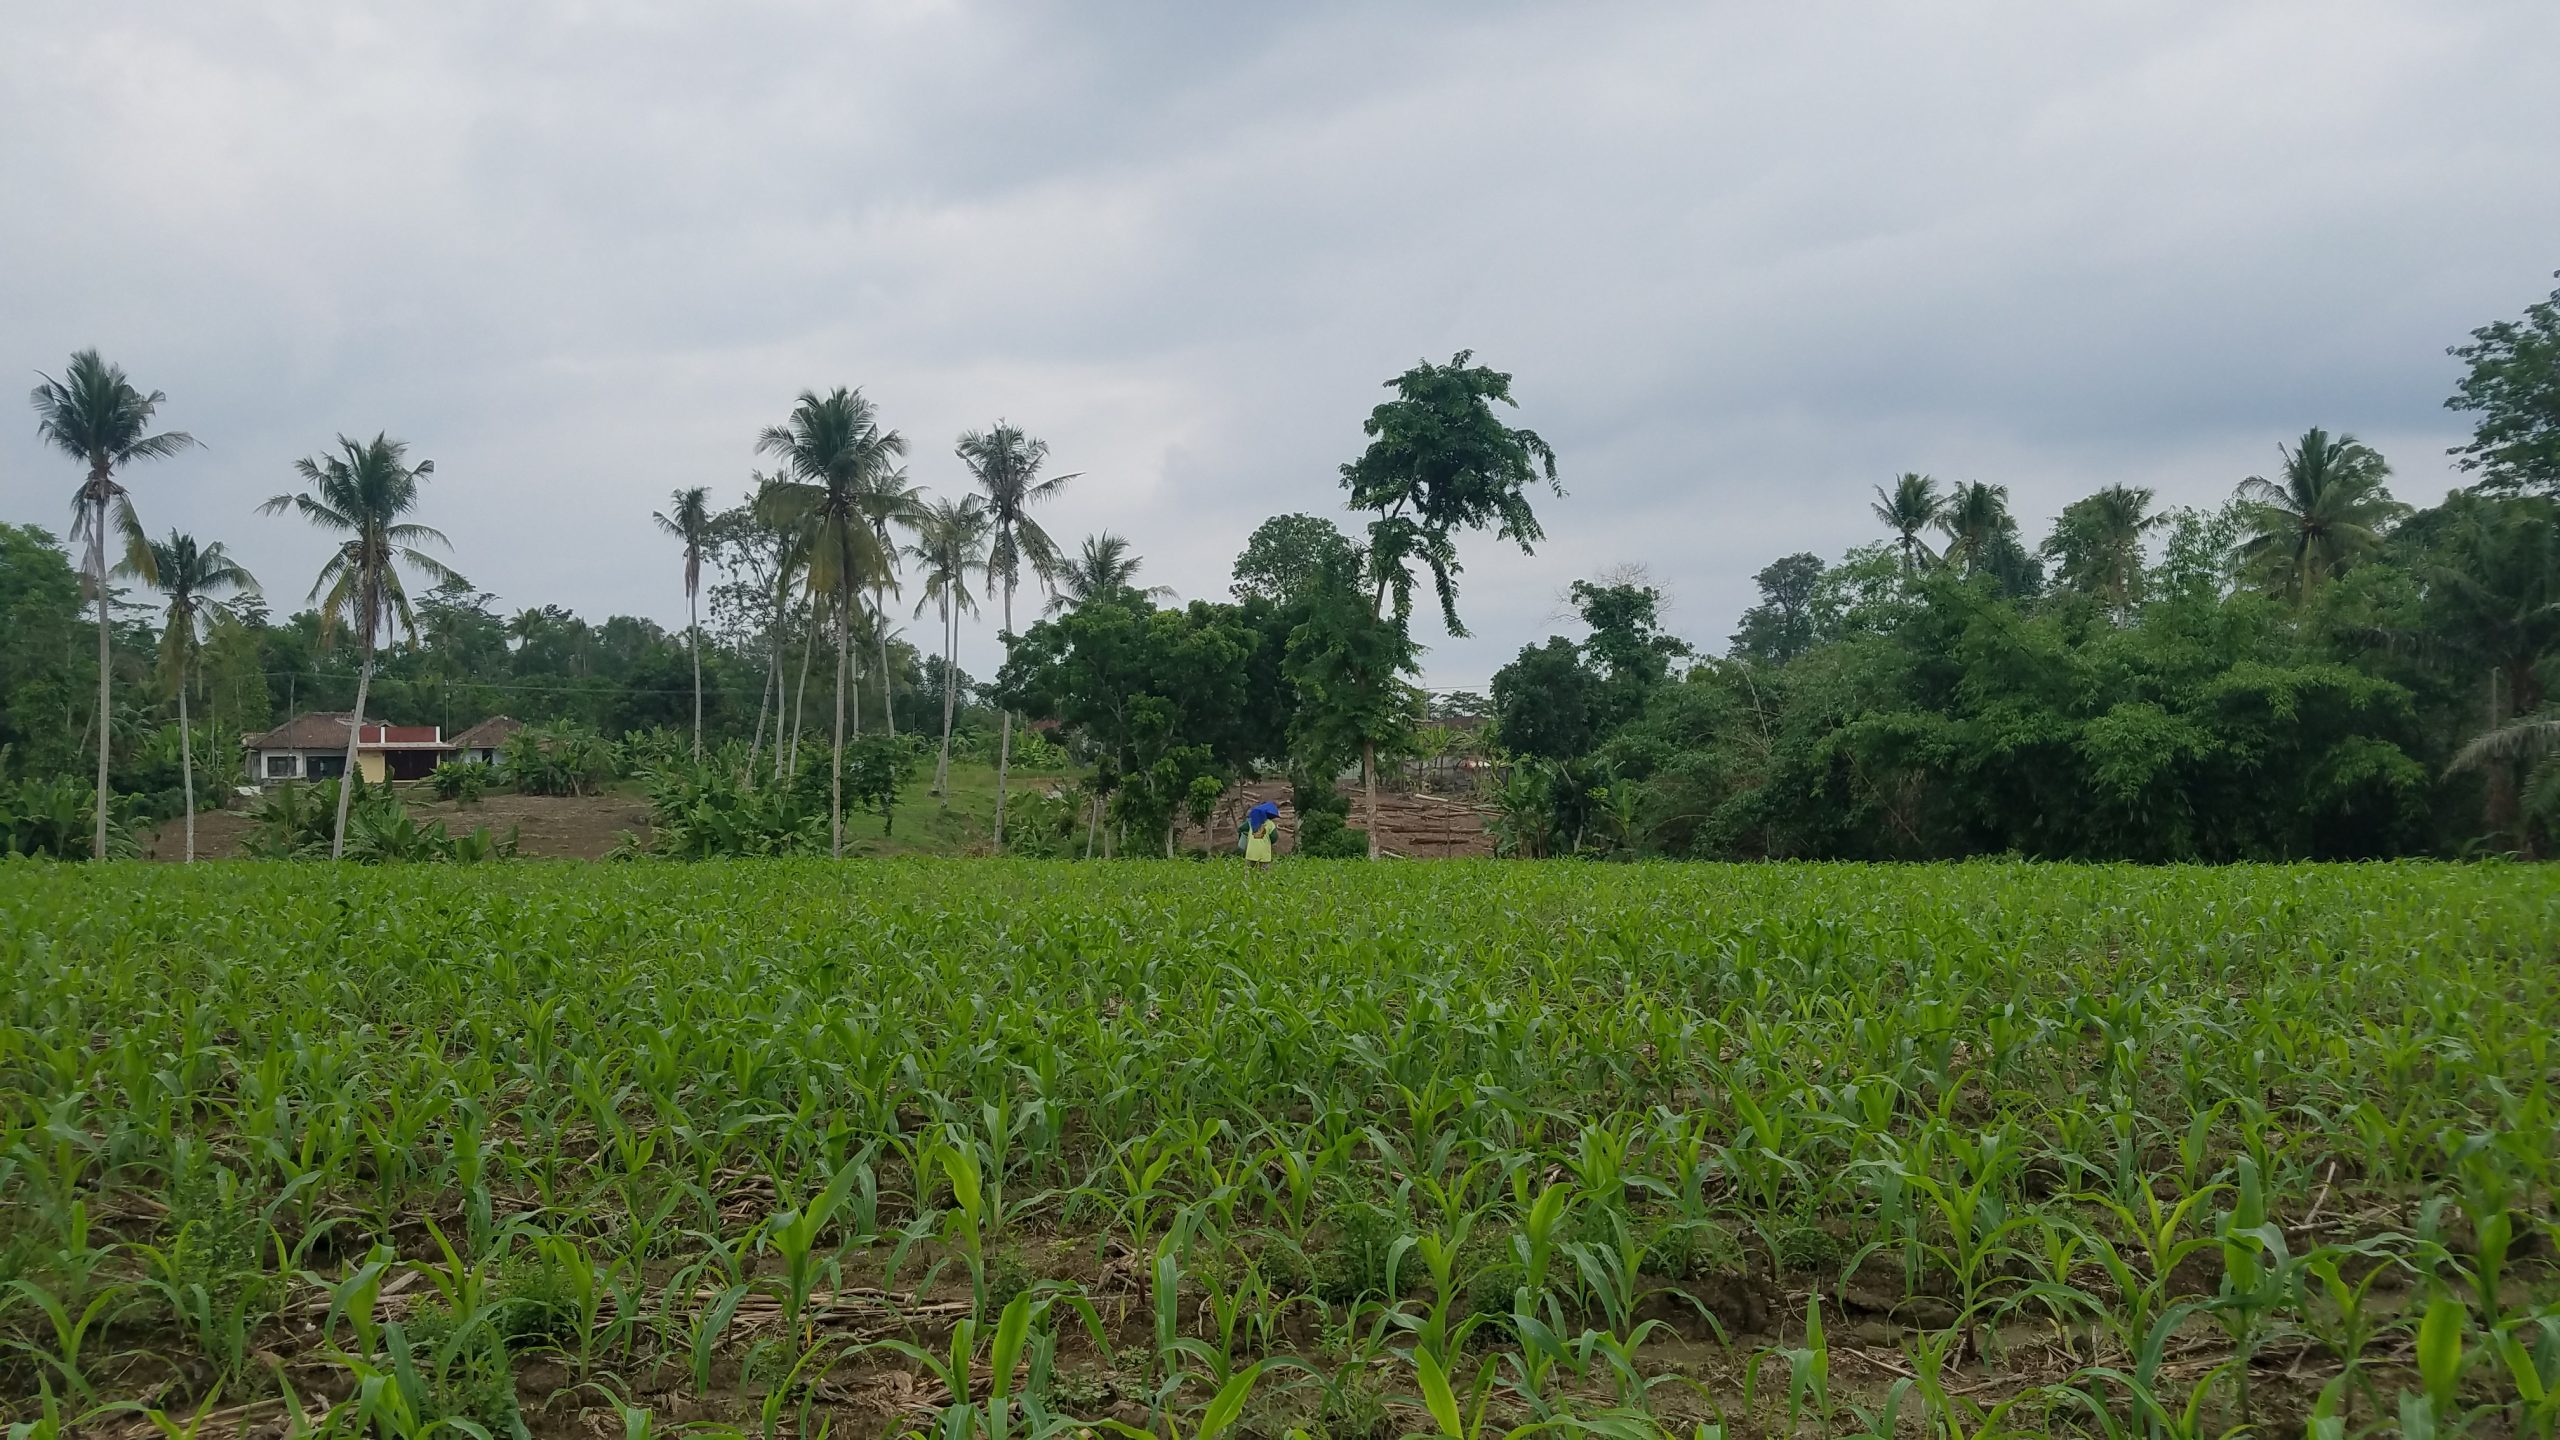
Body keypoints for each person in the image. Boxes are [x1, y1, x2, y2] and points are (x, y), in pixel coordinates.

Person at [1243, 799, 1280, 871]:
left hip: (1251, 853)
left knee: (1249, 876)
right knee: (1264, 877)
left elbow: (1241, 828)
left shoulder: (1251, 821)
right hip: (1264, 855)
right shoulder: (1270, 824)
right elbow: (1274, 837)